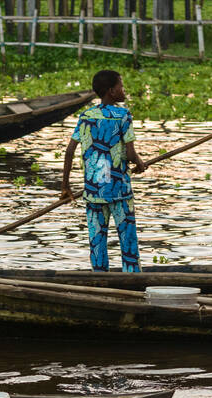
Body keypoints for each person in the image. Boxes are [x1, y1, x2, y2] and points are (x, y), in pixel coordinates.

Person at [60, 69, 149, 272]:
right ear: (111, 91)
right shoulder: (123, 115)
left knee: (97, 242)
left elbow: (69, 151)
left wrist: (65, 186)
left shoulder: (86, 116)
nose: (123, 90)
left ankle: (100, 281)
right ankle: (132, 280)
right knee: (128, 241)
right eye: (121, 86)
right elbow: (129, 153)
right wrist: (140, 163)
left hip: (93, 192)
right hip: (120, 191)